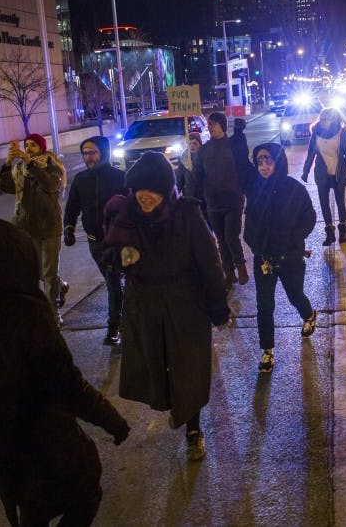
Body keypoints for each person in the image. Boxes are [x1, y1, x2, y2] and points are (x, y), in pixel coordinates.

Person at [0, 218, 129, 526]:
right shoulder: (28, 311)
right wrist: (111, 420)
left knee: (31, 506)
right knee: (85, 493)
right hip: (47, 438)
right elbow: (67, 385)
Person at [103, 153, 231, 462]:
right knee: (157, 368)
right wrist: (121, 257)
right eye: (139, 190)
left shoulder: (186, 214)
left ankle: (193, 430)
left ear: (166, 190)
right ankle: (174, 409)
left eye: (153, 191)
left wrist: (218, 307)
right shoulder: (125, 216)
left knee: (188, 370)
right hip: (145, 307)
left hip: (185, 305)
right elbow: (107, 256)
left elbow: (209, 264)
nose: (145, 198)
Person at [246, 143, 319, 373]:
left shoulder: (294, 189)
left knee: (295, 295)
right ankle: (267, 352)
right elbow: (250, 223)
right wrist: (255, 244)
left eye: (268, 161)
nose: (264, 167)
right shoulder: (255, 189)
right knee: (264, 305)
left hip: (290, 256)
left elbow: (310, 216)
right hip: (264, 259)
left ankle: (309, 314)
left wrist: (294, 239)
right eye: (259, 162)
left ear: (278, 162)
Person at [0, 133, 68, 323]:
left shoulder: (51, 164)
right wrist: (7, 164)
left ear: (42, 148)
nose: (28, 148)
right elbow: (7, 188)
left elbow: (50, 185)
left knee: (49, 271)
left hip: (49, 225)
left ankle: (52, 312)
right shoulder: (19, 168)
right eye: (26, 145)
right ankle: (59, 286)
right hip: (26, 225)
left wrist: (31, 163)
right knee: (35, 271)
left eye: (33, 146)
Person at [63, 136, 126, 345]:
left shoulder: (119, 177)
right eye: (85, 153)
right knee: (114, 281)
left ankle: (113, 328)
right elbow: (72, 206)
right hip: (95, 242)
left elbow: (131, 207)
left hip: (118, 241)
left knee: (113, 282)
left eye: (93, 152)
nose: (88, 157)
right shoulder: (81, 180)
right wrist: (69, 228)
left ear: (103, 153)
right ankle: (122, 320)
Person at [194, 112, 252, 289]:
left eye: (214, 124)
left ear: (222, 125)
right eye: (209, 124)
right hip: (213, 201)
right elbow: (199, 176)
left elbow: (243, 154)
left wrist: (240, 132)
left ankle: (241, 267)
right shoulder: (203, 150)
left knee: (230, 236)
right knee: (220, 239)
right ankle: (229, 273)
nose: (210, 127)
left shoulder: (232, 145)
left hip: (233, 199)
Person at [301, 107, 346, 245]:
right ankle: (330, 233)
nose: (324, 121)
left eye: (327, 119)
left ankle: (343, 231)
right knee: (324, 203)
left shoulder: (340, 132)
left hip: (337, 172)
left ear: (334, 119)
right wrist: (305, 171)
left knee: (340, 201)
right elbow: (311, 153)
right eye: (322, 118)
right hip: (322, 173)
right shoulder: (316, 132)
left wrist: (345, 167)